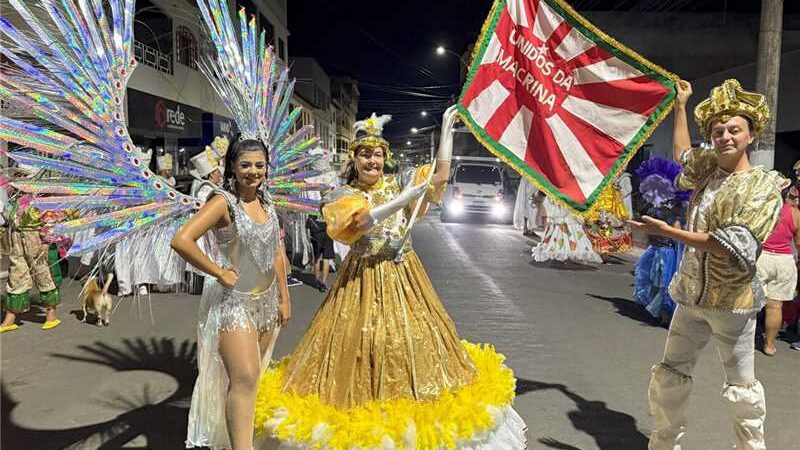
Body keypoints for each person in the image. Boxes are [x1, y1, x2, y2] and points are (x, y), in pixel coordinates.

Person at [253, 109, 527, 449]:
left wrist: (446, 129)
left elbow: (439, 176)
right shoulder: (341, 196)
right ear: (353, 159)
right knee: (360, 345)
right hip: (362, 279)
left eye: (378, 154)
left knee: (412, 345)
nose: (372, 160)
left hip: (405, 278)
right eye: (365, 154)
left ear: (386, 158)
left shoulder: (399, 183)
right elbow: (362, 223)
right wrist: (405, 198)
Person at [629, 79, 785, 450]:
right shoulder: (709, 170)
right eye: (718, 131)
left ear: (750, 136)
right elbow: (684, 154)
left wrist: (670, 231)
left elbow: (732, 246)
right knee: (669, 377)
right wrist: (681, 106)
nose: (725, 137)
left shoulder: (762, 187)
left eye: (734, 130)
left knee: (742, 390)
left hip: (732, 304)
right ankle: (663, 445)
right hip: (690, 299)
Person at [173, 139, 291, 450]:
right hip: (234, 302)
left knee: (254, 377)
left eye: (259, 165)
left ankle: (239, 438)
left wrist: (284, 297)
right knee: (246, 376)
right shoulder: (223, 202)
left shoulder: (267, 201)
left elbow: (276, 251)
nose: (253, 172)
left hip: (266, 302)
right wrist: (218, 271)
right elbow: (182, 240)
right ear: (232, 168)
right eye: (245, 165)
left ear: (266, 168)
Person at [632, 157, 691, 324]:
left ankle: (665, 313)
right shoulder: (655, 205)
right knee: (654, 280)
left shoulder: (678, 208)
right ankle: (658, 309)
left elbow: (677, 232)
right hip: (655, 248)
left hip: (667, 251)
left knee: (665, 282)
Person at [0, 193, 62, 332]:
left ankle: (51, 316)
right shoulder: (14, 199)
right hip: (17, 240)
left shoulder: (41, 198)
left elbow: (51, 220)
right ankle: (9, 320)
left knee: (43, 275)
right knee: (16, 277)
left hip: (35, 240)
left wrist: (46, 242)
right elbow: (9, 219)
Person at [756, 189, 800, 356]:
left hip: (762, 257)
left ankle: (742, 339)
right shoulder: (795, 213)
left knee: (750, 304)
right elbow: (798, 242)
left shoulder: (762, 208)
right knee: (775, 306)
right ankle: (769, 345)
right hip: (783, 260)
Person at [532, 195, 602, 265]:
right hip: (562, 198)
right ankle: (562, 251)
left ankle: (566, 251)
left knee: (568, 223)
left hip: (566, 198)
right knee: (563, 223)